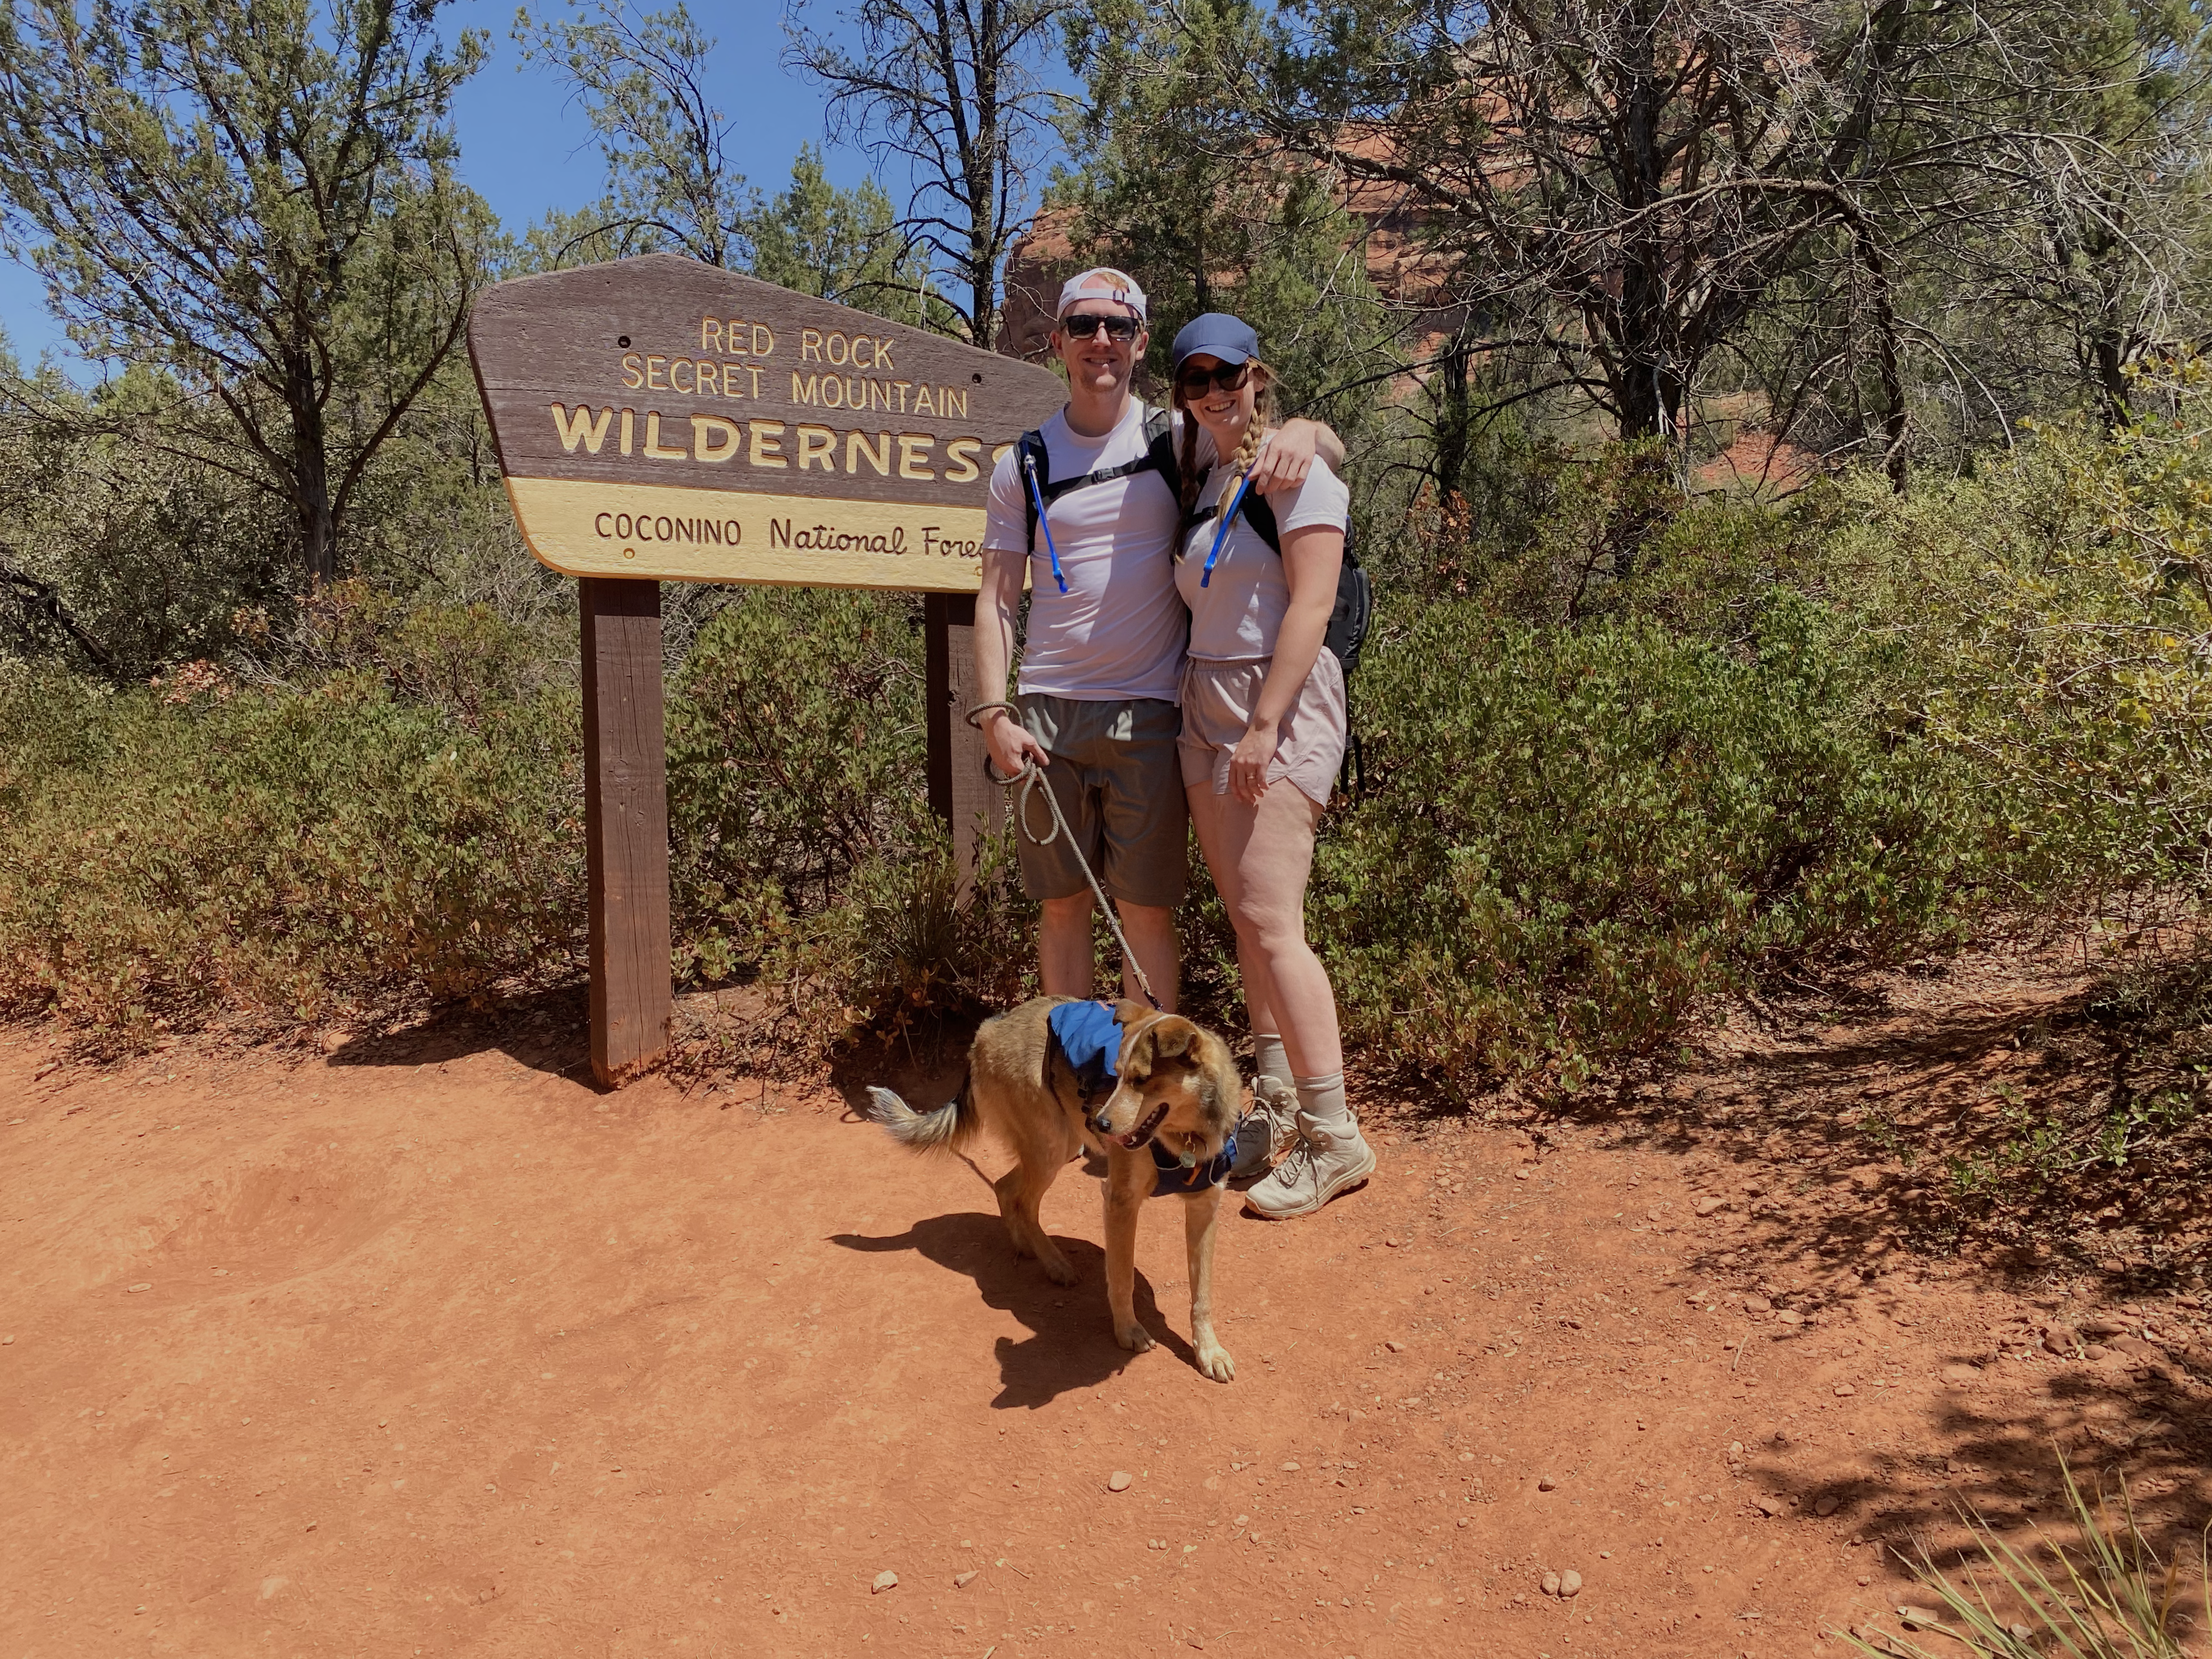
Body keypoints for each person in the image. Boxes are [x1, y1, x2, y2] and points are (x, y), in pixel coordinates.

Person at [971, 269, 1343, 1016]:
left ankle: (1148, 1112)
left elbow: (1284, 439)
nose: (1099, 341)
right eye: (1083, 327)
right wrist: (992, 710)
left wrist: (1306, 431)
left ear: (1139, 342)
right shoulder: (1023, 465)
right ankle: (1083, 1100)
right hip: (1048, 716)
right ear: (1058, 343)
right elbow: (997, 598)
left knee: (1145, 917)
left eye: (1117, 326)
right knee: (1063, 910)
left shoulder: (1179, 442)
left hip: (1151, 716)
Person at [1168, 312, 1375, 1219]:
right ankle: (1281, 1102)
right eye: (1196, 377)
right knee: (1247, 921)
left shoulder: (1297, 470)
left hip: (1274, 709)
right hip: (1203, 709)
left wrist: (1263, 725)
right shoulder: (1203, 468)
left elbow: (1313, 603)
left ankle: (1337, 1136)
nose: (1215, 391)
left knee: (1274, 919)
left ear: (1260, 375)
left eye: (1231, 375)